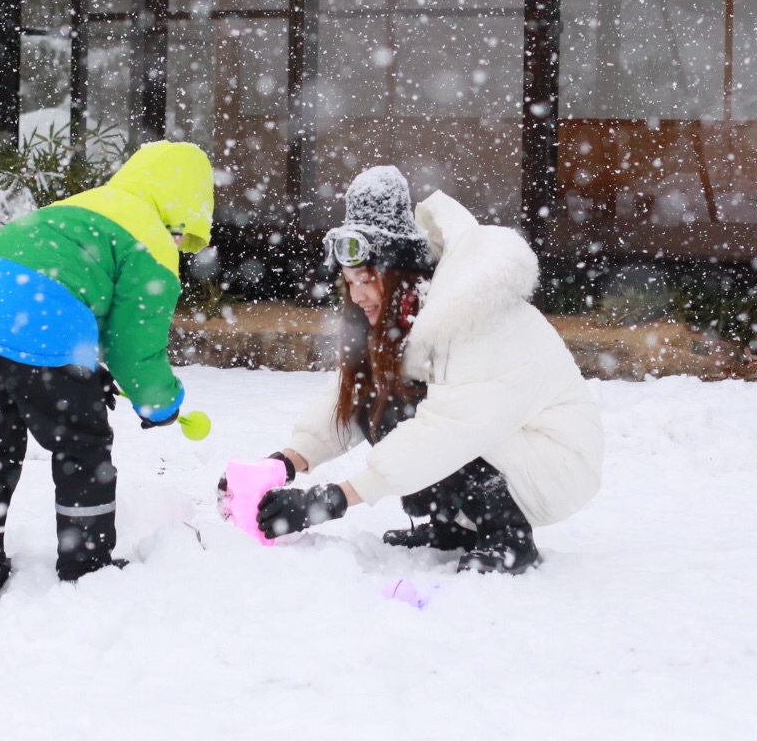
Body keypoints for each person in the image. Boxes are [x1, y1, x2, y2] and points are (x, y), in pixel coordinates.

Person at [247, 166, 603, 573]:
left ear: (398, 271)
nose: (357, 294)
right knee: (381, 398)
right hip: (498, 443)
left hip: (553, 461)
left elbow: (451, 428)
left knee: (418, 417)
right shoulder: (407, 310)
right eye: (348, 281)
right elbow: (351, 397)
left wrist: (332, 499)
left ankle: (508, 539)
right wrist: (285, 462)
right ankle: (452, 526)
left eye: (367, 278)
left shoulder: (474, 314)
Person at [0, 140, 213, 603]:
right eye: (183, 234)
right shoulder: (152, 240)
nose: (180, 245)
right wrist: (160, 404)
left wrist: (86, 369)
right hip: (40, 327)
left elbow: (71, 287)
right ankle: (87, 569)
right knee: (82, 446)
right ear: (181, 211)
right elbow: (134, 348)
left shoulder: (85, 206)